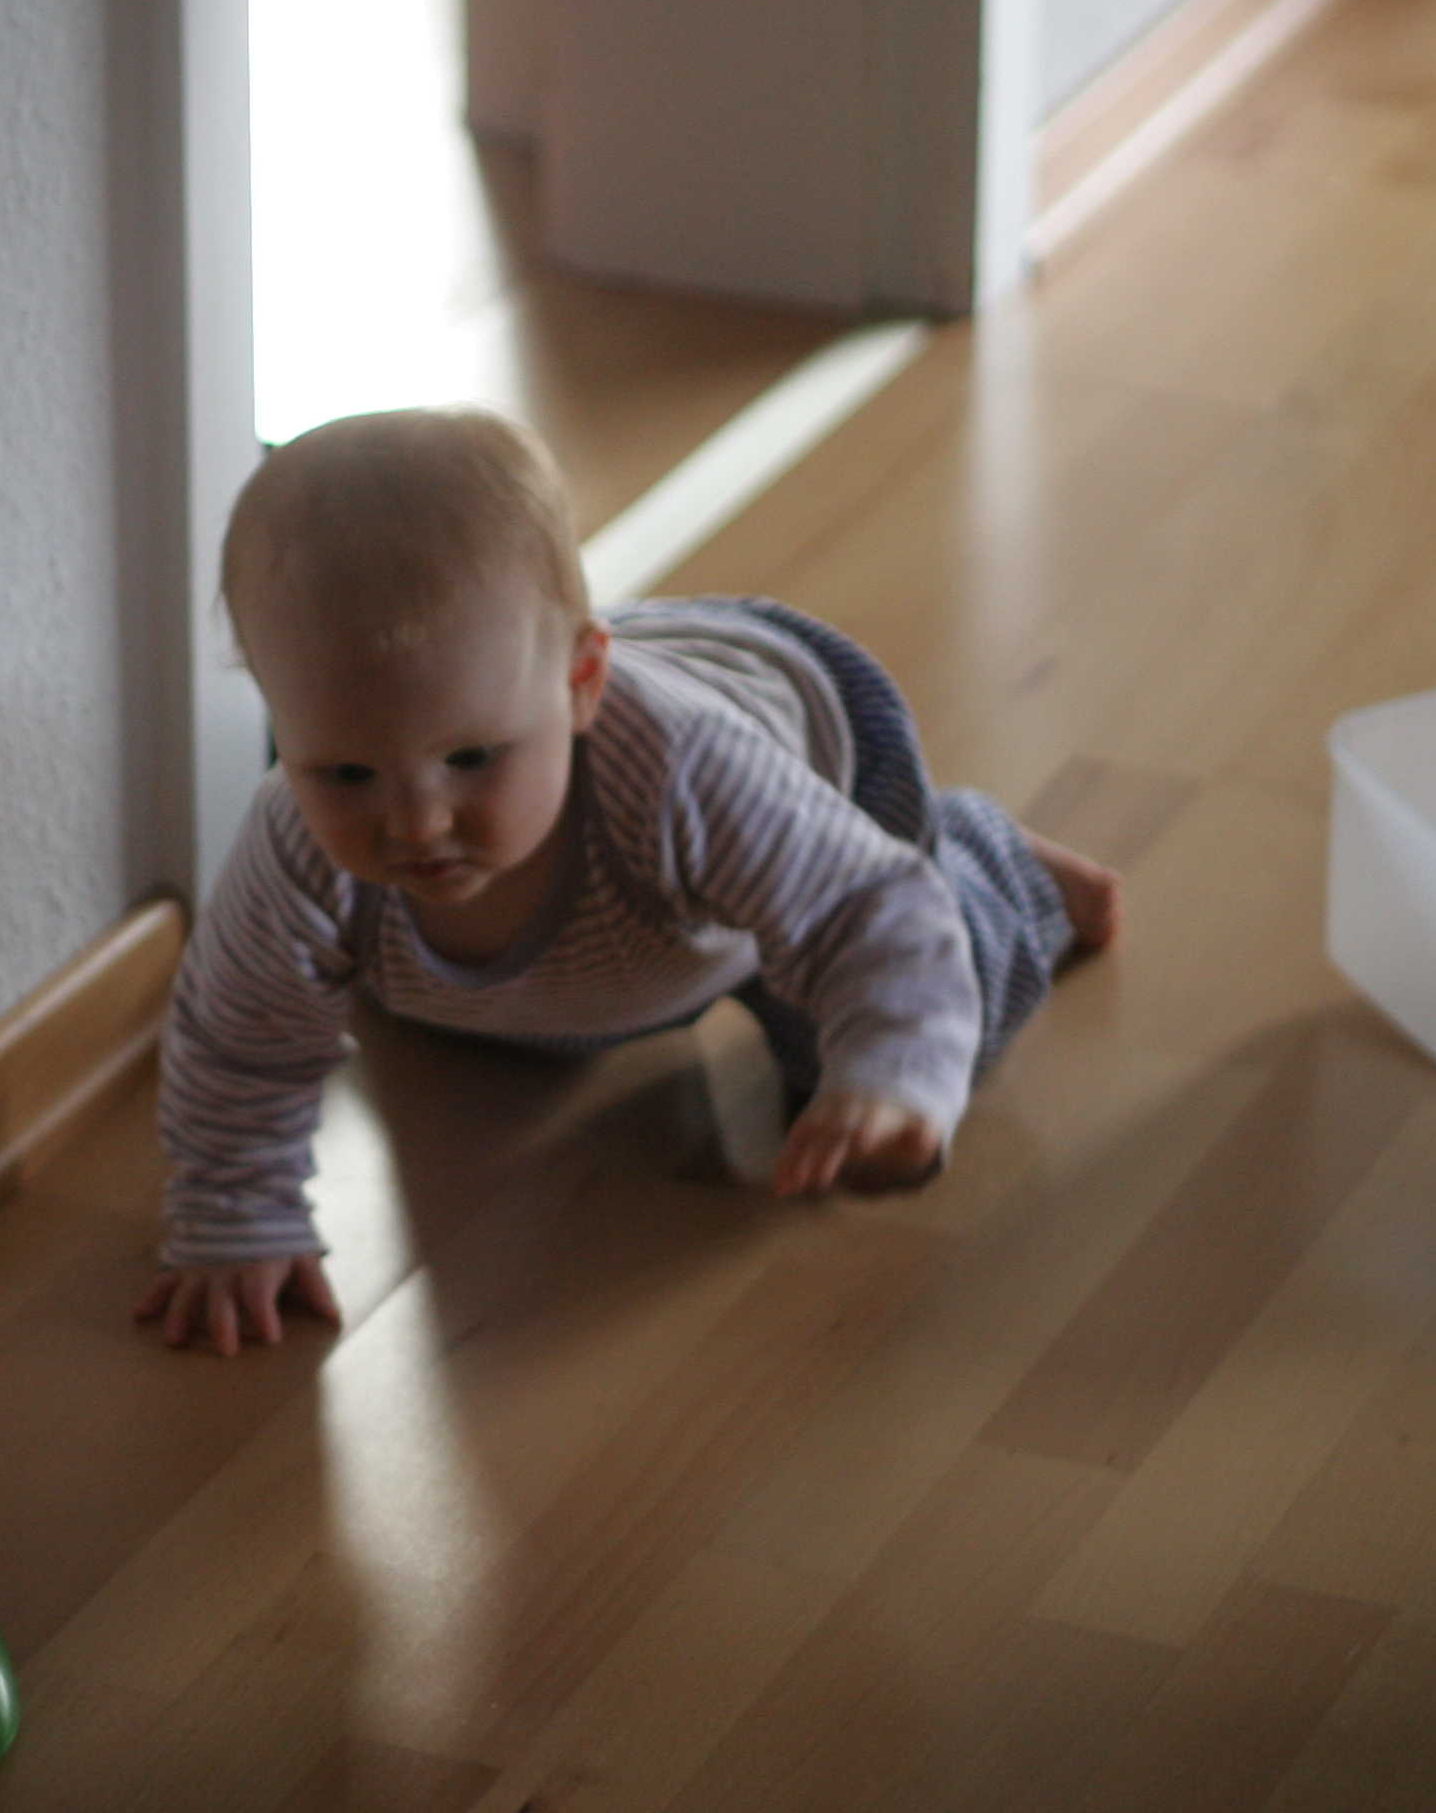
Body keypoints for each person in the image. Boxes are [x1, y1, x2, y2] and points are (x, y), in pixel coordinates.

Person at [135, 407, 1118, 1356]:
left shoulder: (684, 771)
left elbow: (867, 911)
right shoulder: (298, 841)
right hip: (622, 934)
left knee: (911, 1029)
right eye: (346, 773)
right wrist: (237, 1214)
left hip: (797, 814)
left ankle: (987, 858)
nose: (417, 823)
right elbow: (240, 1035)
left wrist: (890, 1076)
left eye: (471, 758)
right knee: (461, 1028)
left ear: (581, 684)